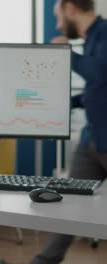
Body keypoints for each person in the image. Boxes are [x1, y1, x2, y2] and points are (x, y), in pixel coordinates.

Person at [29, 0, 107, 263]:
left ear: (70, 7)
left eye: (59, 16)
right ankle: (44, 261)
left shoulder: (105, 33)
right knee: (70, 206)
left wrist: (66, 53)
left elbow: (101, 73)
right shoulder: (92, 39)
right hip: (92, 141)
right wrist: (66, 103)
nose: (59, 24)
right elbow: (99, 91)